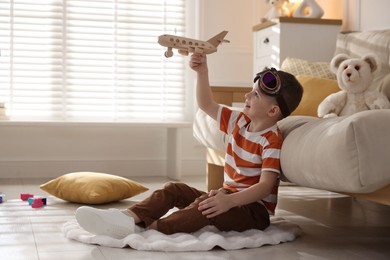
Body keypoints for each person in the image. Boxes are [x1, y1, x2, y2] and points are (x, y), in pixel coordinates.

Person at [74, 53, 303, 238]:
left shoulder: (271, 140)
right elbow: (205, 103)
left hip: (253, 211)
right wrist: (202, 72)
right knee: (174, 189)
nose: (246, 95)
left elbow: (264, 187)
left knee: (205, 205)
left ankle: (151, 231)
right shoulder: (240, 121)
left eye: (255, 95)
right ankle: (128, 218)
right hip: (227, 196)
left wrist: (229, 200)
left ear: (273, 111)